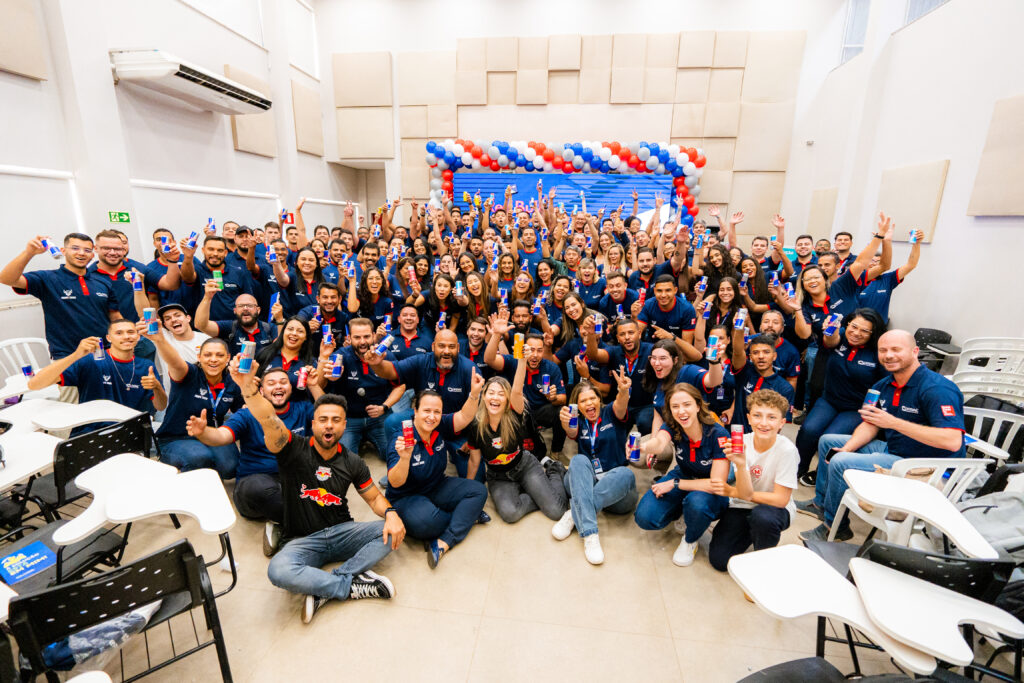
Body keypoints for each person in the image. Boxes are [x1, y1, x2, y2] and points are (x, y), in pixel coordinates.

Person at [235, 365, 403, 623]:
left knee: (393, 531)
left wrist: (391, 514)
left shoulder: (353, 461)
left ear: (344, 425)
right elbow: (268, 419)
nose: (329, 426)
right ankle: (348, 585)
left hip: (341, 532)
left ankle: (326, 587)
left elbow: (374, 498)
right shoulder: (291, 446)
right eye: (323, 419)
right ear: (313, 423)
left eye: (336, 420)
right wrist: (249, 390)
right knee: (278, 570)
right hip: (303, 540)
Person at [799, 330, 966, 542]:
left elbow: (952, 441)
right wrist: (847, 447)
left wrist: (892, 423)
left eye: (896, 349)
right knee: (829, 441)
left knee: (840, 463)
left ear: (915, 352)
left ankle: (835, 526)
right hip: (896, 450)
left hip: (925, 465)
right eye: (883, 350)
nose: (888, 355)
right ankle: (821, 504)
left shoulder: (937, 388)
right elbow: (870, 424)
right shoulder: (883, 385)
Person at [186, 366, 319, 555]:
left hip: (294, 479)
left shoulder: (303, 408)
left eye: (283, 382)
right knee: (262, 489)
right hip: (256, 481)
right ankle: (306, 525)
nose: (278, 387)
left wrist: (313, 386)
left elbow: (328, 417)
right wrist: (204, 432)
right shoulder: (247, 414)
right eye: (271, 383)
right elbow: (223, 436)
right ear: (262, 391)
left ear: (291, 387)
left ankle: (281, 526)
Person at [385, 379, 487, 569]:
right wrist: (405, 458)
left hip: (436, 485)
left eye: (437, 412)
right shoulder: (401, 438)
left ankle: (446, 539)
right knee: (428, 523)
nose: (431, 417)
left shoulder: (437, 426)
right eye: (426, 411)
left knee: (479, 491)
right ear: (415, 411)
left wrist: (474, 394)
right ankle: (466, 517)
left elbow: (464, 416)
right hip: (406, 497)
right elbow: (395, 483)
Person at [634, 384, 731, 567]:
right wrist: (644, 447)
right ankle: (685, 513)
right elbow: (659, 443)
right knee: (645, 517)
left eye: (686, 404)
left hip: (710, 489)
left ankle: (690, 539)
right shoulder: (673, 425)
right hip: (685, 474)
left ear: (697, 405)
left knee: (697, 503)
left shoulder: (718, 434)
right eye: (675, 407)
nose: (681, 412)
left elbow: (716, 483)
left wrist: (675, 483)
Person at [465, 350, 568, 524]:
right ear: (484, 396)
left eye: (501, 394)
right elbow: (474, 461)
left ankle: (554, 470)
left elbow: (518, 391)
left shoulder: (514, 415)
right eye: (491, 393)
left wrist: (522, 362)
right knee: (510, 514)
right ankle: (537, 495)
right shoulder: (475, 425)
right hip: (498, 476)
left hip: (524, 466)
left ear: (507, 399)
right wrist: (466, 489)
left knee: (557, 511)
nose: (495, 397)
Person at [706, 389, 798, 571]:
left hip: (774, 509)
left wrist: (732, 492)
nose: (764, 423)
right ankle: (751, 533)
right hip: (742, 504)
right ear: (748, 419)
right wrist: (740, 464)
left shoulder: (787, 450)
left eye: (771, 417)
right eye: (757, 415)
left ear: (782, 422)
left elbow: (780, 499)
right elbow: (744, 493)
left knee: (763, 518)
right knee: (719, 560)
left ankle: (762, 564)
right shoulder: (741, 443)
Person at [553, 370, 637, 566]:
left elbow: (620, 403)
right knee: (578, 461)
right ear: (578, 406)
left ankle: (574, 513)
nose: (589, 404)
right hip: (586, 480)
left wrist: (624, 391)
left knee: (626, 473)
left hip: (616, 490)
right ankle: (590, 535)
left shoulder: (612, 413)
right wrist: (566, 425)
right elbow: (572, 431)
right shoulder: (578, 420)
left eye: (593, 398)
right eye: (583, 401)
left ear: (599, 400)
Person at [794, 309, 887, 481]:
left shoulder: (878, 353)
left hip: (855, 408)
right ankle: (797, 468)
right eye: (854, 326)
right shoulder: (840, 336)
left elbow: (885, 384)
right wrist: (832, 329)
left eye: (864, 331)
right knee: (809, 430)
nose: (857, 333)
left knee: (829, 438)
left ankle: (821, 475)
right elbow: (830, 341)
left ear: (873, 334)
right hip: (829, 399)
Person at [0, 233, 121, 359]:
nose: (81, 253)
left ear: (92, 255)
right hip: (67, 355)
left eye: (87, 250)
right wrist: (29, 253)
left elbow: (114, 315)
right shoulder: (47, 279)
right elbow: (6, 279)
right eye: (75, 248)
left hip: (103, 350)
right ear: (63, 251)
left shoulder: (102, 282)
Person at [26, 322, 166, 429]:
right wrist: (76, 355)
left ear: (138, 336)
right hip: (93, 430)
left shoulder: (146, 366)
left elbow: (160, 406)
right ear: (108, 338)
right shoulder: (90, 361)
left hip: (132, 430)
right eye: (119, 333)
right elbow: (34, 384)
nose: (126, 336)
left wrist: (157, 387)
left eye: (131, 332)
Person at [147, 327, 242, 478]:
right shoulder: (189, 373)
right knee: (199, 458)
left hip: (211, 435)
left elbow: (242, 410)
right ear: (199, 356)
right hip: (177, 437)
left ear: (227, 358)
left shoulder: (233, 381)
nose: (213, 359)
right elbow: (175, 362)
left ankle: (207, 475)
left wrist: (250, 387)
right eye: (207, 355)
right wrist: (160, 340)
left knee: (230, 467)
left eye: (219, 355)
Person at [321, 318, 405, 459]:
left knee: (393, 454)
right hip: (349, 419)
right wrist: (331, 377)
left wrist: (384, 407)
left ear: (373, 335)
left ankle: (368, 437)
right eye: (357, 337)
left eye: (366, 336)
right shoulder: (340, 356)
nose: (362, 342)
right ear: (349, 338)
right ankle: (359, 439)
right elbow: (324, 381)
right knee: (345, 459)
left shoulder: (385, 355)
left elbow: (400, 386)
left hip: (380, 417)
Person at [483, 313, 567, 453]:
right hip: (515, 413)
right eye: (531, 350)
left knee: (561, 412)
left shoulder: (551, 367)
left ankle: (556, 452)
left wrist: (553, 397)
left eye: (539, 351)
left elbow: (563, 398)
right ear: (523, 349)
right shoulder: (513, 361)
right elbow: (489, 360)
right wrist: (497, 335)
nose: (535, 355)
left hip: (540, 411)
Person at [725, 331, 795, 432]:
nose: (761, 356)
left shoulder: (785, 388)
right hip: (736, 436)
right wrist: (739, 326)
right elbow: (737, 352)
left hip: (762, 440)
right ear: (750, 357)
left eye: (766, 352)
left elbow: (778, 425)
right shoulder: (745, 370)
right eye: (755, 352)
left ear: (774, 356)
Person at [180, 235, 254, 320]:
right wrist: (188, 256)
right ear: (203, 250)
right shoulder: (197, 270)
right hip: (202, 329)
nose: (215, 254)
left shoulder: (238, 273)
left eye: (220, 250)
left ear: (225, 253)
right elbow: (187, 277)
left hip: (232, 328)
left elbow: (248, 300)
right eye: (211, 249)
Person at [194, 280, 277, 355]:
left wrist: (280, 320)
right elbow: (200, 325)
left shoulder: (270, 328)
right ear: (235, 310)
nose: (245, 308)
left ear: (258, 310)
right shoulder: (230, 328)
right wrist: (207, 297)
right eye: (241, 306)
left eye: (250, 305)